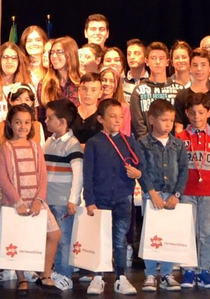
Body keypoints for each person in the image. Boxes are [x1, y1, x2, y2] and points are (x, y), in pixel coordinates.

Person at [0, 104, 63, 296]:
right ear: (10, 124)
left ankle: (45, 274)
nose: (22, 126)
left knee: (54, 234)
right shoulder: (6, 149)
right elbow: (2, 178)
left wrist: (39, 199)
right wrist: (17, 202)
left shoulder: (35, 147)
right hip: (14, 204)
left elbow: (42, 176)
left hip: (36, 202)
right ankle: (21, 277)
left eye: (26, 122)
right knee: (18, 240)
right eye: (18, 122)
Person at [82, 99, 138, 296]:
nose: (117, 120)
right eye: (112, 116)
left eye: (120, 116)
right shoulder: (93, 143)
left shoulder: (129, 142)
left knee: (120, 238)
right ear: (100, 119)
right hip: (101, 198)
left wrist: (137, 174)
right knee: (101, 238)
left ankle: (121, 277)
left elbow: (141, 167)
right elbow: (87, 174)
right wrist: (89, 200)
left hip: (123, 197)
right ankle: (98, 276)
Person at [134, 99, 188, 291]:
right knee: (152, 234)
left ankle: (167, 273)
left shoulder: (178, 144)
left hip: (172, 195)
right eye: (164, 120)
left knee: (169, 234)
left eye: (171, 120)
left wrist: (177, 195)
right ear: (151, 120)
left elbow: (184, 170)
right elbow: (141, 169)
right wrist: (152, 192)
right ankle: (150, 273)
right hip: (152, 195)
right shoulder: (142, 143)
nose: (168, 124)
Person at [174, 89, 210, 290]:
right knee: (188, 231)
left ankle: (204, 270)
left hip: (209, 192)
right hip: (186, 191)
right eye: (192, 113)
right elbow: (176, 168)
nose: (197, 117)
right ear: (186, 113)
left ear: (209, 112)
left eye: (201, 112)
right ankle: (189, 269)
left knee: (205, 232)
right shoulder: (180, 137)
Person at [41, 100, 83, 292]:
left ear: (62, 121)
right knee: (50, 238)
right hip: (48, 199)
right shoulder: (49, 141)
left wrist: (73, 199)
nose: (46, 120)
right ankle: (51, 271)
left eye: (50, 117)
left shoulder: (72, 145)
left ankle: (65, 274)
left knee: (64, 238)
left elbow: (78, 174)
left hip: (63, 200)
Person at [128, 43, 181, 139]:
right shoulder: (139, 91)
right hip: (146, 147)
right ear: (147, 62)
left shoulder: (179, 90)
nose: (157, 62)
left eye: (161, 58)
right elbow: (138, 125)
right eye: (153, 58)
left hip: (174, 146)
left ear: (167, 62)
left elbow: (181, 123)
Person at [40, 37, 81, 105]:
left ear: (70, 54)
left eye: (59, 52)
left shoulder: (82, 81)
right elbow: (41, 114)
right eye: (52, 52)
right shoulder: (44, 84)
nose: (54, 56)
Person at [74, 73, 104, 143]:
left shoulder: (103, 119)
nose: (88, 93)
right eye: (84, 89)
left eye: (93, 90)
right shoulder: (70, 115)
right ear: (79, 90)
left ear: (100, 93)